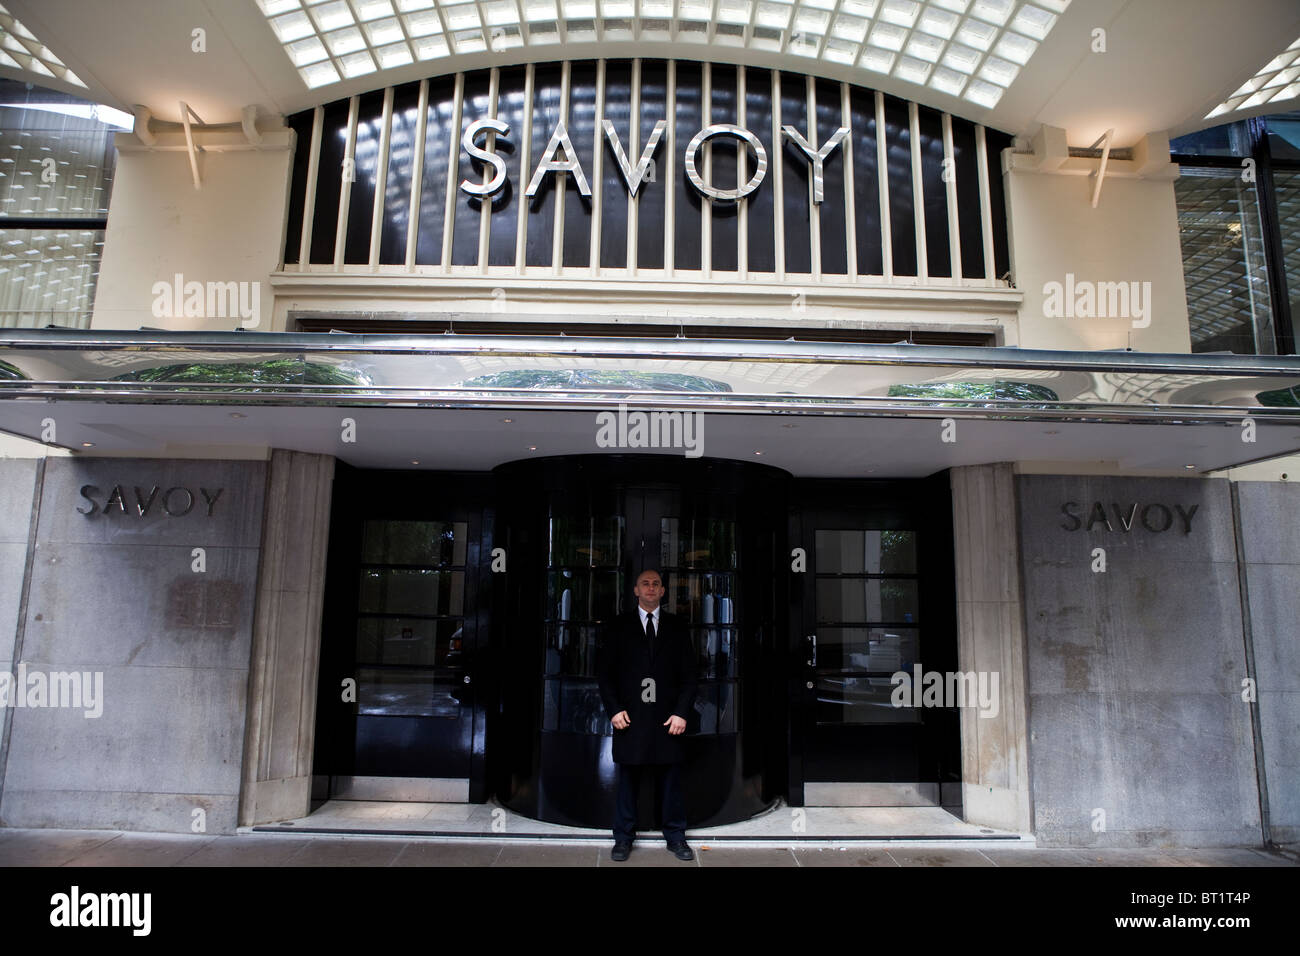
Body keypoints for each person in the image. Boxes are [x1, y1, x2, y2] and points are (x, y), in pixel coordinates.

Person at [597, 568, 699, 861]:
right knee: (628, 780)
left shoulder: (678, 627)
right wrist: (614, 709)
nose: (651, 588)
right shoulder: (618, 626)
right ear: (636, 590)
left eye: (656, 584)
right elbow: (605, 675)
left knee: (671, 781)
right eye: (645, 584)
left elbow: (690, 676)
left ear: (663, 591)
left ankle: (676, 838)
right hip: (630, 717)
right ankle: (623, 839)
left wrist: (682, 713)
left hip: (669, 719)